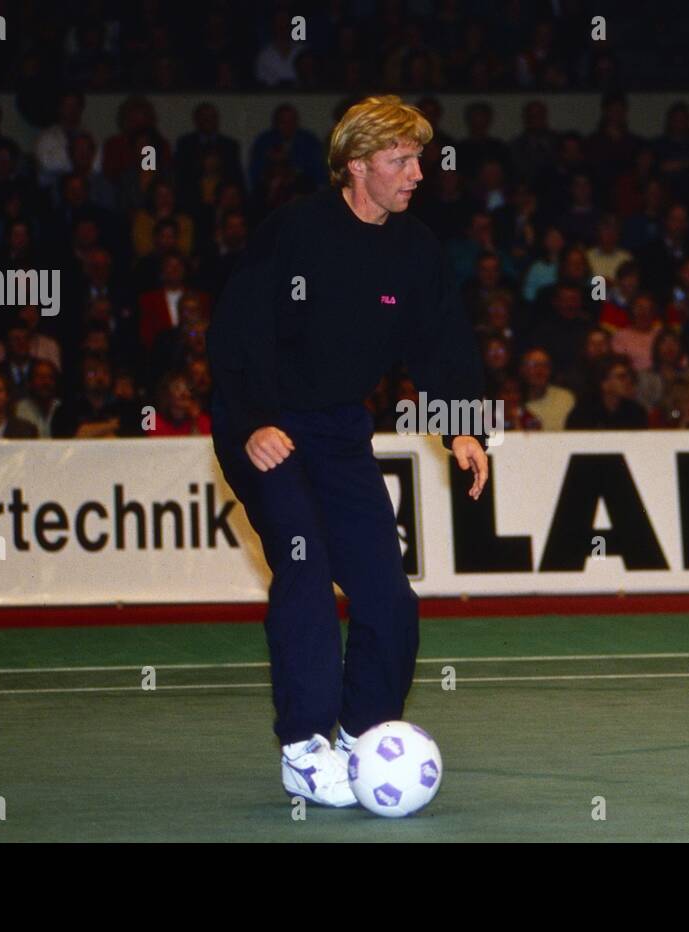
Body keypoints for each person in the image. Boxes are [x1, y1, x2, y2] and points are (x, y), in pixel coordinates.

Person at [207, 96, 489, 808]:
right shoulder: (294, 232)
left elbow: (443, 346)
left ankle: (362, 736)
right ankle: (304, 746)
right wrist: (255, 420)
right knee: (304, 564)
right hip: (267, 428)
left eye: (420, 157)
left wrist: (463, 429)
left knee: (390, 600)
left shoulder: (417, 249)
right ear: (357, 165)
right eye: (401, 159)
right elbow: (238, 332)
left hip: (339, 432)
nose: (418, 172)